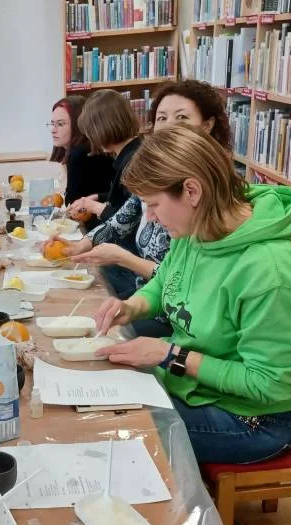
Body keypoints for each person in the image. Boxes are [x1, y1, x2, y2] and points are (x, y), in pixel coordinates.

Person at [93, 125, 291, 465]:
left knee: (119, 433)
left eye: (154, 204)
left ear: (191, 191)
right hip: (199, 387)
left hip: (255, 418)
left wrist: (170, 354)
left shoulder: (270, 271)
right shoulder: (198, 228)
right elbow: (167, 282)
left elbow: (270, 384)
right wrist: (132, 306)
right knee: (107, 402)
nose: (152, 218)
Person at [45, 80, 233, 336]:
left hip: (172, 318)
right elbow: (128, 215)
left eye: (181, 117)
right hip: (154, 298)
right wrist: (84, 244)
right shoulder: (161, 176)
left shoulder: (206, 204)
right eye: (161, 118)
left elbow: (188, 293)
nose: (167, 127)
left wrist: (124, 259)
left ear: (207, 125)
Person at [65, 89, 142, 227]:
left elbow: (129, 221)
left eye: (91, 132)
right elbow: (125, 200)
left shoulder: (133, 163)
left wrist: (94, 207)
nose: (91, 139)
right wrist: (99, 197)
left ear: (102, 129)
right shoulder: (134, 151)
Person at [48, 96, 115, 219]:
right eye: (52, 124)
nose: (53, 130)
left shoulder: (78, 154)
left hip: (91, 225)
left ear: (79, 124)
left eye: (60, 124)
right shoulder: (87, 148)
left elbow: (71, 204)